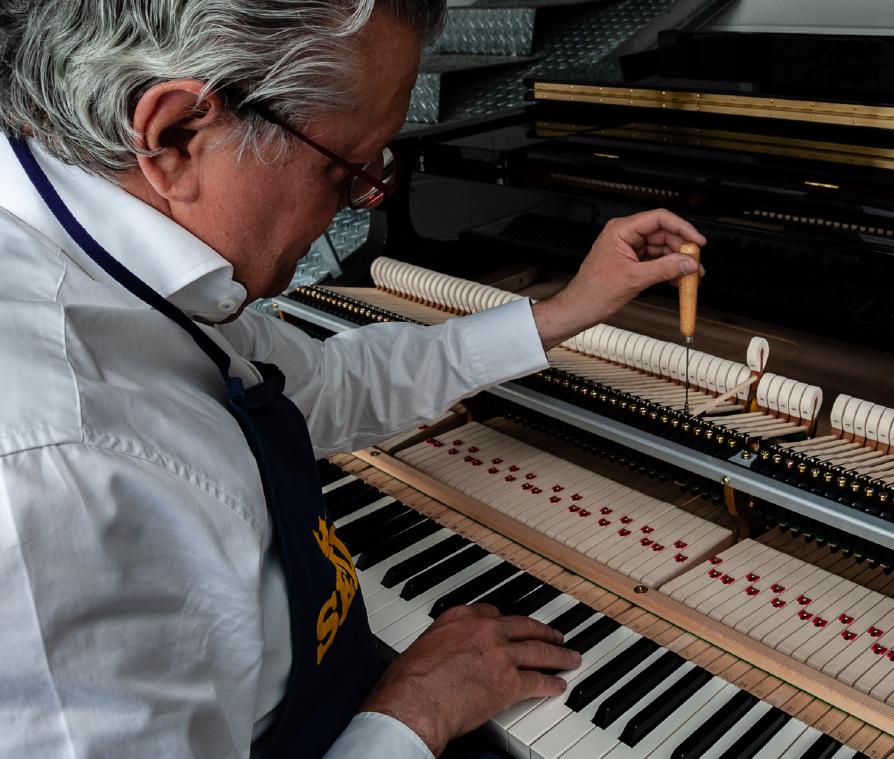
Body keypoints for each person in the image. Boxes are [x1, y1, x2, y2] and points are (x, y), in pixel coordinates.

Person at [0, 1, 706, 756]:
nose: (362, 202)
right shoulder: (55, 471)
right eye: (345, 170)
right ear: (174, 136)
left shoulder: (120, 241)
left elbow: (314, 386)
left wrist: (560, 312)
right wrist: (414, 711)